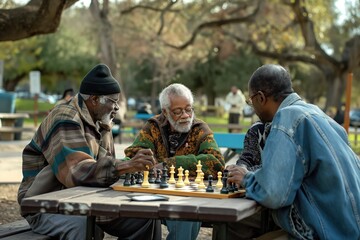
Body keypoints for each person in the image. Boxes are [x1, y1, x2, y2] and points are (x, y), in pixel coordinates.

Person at [17, 64, 161, 240]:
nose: (116, 108)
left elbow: (104, 171)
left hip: (86, 198)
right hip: (44, 204)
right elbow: (77, 171)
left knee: (145, 217)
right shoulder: (65, 118)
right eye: (113, 102)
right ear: (94, 100)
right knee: (81, 225)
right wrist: (126, 165)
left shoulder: (100, 120)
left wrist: (131, 167)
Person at [226, 64, 360, 239]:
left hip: (326, 231)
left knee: (230, 222)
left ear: (260, 98)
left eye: (251, 101)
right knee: (242, 221)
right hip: (347, 227)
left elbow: (273, 194)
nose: (252, 107)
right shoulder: (320, 115)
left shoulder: (287, 119)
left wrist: (246, 178)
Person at [125, 83, 225, 240]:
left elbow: (215, 162)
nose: (185, 115)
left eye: (188, 109)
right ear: (165, 112)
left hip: (188, 197)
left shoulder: (199, 129)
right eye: (178, 111)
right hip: (154, 194)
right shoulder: (153, 127)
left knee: (185, 215)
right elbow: (133, 156)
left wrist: (169, 164)